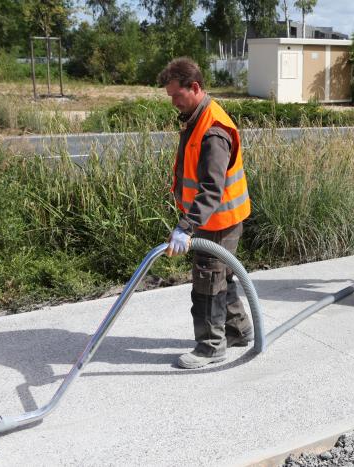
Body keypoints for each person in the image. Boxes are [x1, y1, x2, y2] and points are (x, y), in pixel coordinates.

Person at [158, 57, 253, 369]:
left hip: (218, 221)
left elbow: (212, 188)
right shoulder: (195, 117)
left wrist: (185, 226)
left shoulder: (213, 130)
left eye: (176, 95)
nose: (172, 102)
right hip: (218, 219)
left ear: (194, 87)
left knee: (207, 283)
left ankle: (211, 347)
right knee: (222, 275)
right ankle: (238, 330)